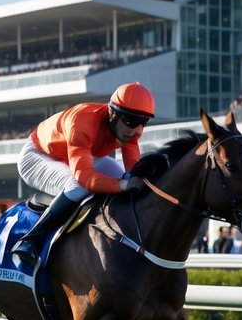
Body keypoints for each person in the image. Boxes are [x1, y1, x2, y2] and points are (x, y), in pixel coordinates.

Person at [11, 82, 155, 268]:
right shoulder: (83, 121)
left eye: (143, 122)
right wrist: (123, 185)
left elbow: (133, 173)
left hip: (77, 156)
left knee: (124, 179)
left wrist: (134, 182)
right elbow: (84, 177)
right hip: (38, 156)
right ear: (113, 113)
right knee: (78, 186)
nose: (135, 130)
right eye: (130, 121)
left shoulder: (130, 130)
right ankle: (30, 240)